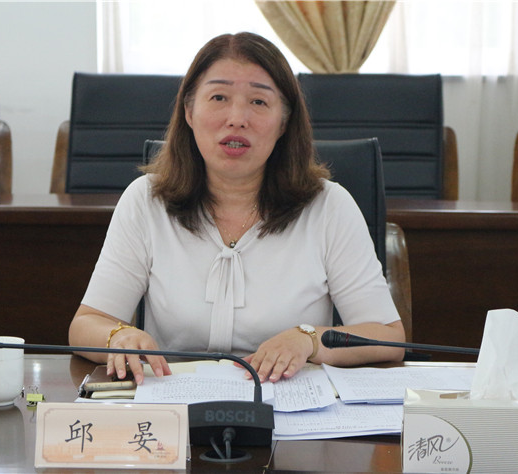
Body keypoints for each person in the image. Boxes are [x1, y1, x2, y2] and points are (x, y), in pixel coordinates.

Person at [68, 32, 405, 385]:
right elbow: (87, 323)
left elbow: (387, 336)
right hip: (174, 406)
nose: (237, 118)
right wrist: (117, 337)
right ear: (189, 111)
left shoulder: (329, 207)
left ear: (284, 122)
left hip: (288, 405)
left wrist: (308, 339)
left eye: (259, 101)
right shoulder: (145, 201)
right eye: (219, 97)